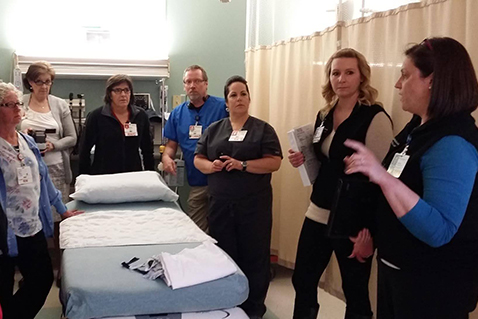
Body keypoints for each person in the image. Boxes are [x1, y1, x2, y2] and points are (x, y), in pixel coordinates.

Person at [343, 37, 478, 319]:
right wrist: (373, 235)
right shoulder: (417, 128)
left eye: (405, 75)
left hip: (432, 288)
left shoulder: (453, 142)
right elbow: (397, 192)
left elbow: (438, 229)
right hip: (397, 272)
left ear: (433, 80)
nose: (397, 84)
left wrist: (382, 176)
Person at [288, 48, 393, 319]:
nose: (341, 79)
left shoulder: (375, 117)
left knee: (355, 291)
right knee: (303, 280)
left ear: (361, 77)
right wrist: (302, 158)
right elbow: (326, 160)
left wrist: (369, 231)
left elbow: (382, 181)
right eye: (336, 73)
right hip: (318, 210)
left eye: (349, 72)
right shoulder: (324, 114)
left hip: (353, 219)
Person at [194, 75, 282, 318]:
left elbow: (274, 162)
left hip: (253, 206)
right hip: (221, 205)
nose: (239, 98)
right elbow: (198, 159)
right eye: (233, 94)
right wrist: (212, 166)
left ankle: (253, 308)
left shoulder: (262, 129)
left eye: (243, 93)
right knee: (224, 255)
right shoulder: (214, 130)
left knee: (254, 256)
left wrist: (242, 164)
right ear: (226, 101)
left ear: (249, 98)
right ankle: (227, 306)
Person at [0, 83, 82, 319]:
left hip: (31, 227)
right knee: (3, 290)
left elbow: (44, 181)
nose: (18, 108)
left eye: (19, 103)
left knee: (42, 280)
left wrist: (62, 209)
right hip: (4, 233)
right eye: (10, 104)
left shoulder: (26, 142)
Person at [163, 65, 228, 232]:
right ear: (184, 85)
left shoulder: (223, 108)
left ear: (206, 84)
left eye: (197, 81)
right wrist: (166, 158)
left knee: (222, 228)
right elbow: (171, 145)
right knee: (197, 231)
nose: (192, 85)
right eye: (188, 82)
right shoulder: (178, 113)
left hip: (223, 180)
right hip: (197, 182)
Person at [79, 74, 154, 175]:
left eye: (126, 90)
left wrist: (151, 176)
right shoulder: (97, 116)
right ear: (110, 94)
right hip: (104, 175)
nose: (123, 94)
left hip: (133, 175)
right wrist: (84, 179)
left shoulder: (140, 116)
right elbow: (84, 150)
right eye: (118, 90)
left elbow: (147, 150)